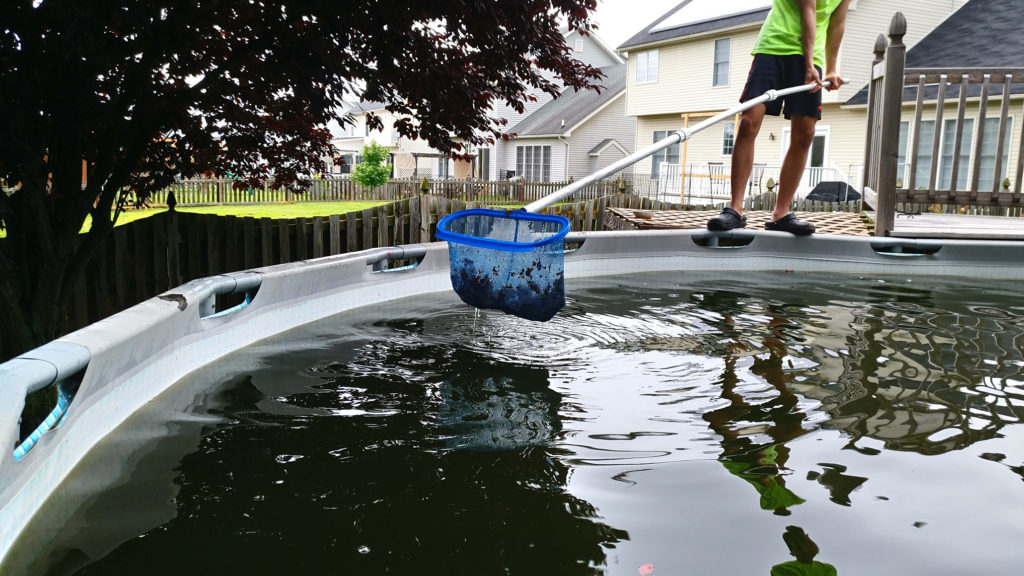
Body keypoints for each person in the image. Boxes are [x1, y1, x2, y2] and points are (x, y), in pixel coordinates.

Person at [708, 0, 850, 236]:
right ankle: (735, 209)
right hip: (774, 47)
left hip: (811, 57)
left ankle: (781, 214)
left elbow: (838, 22)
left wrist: (832, 68)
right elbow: (809, 9)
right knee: (749, 122)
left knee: (805, 133)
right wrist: (807, 65)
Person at [770, 526, 838, 575]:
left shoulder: (827, 568)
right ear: (792, 553)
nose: (805, 547)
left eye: (804, 541)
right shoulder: (782, 568)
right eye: (798, 546)